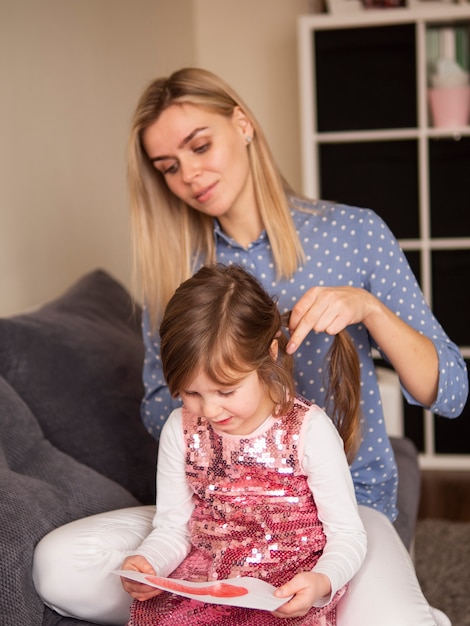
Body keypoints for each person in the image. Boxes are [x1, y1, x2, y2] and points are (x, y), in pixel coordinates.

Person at [33, 67, 467, 626]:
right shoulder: (176, 270)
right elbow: (156, 406)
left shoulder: (354, 233)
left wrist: (370, 309)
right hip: (217, 517)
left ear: (242, 124)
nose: (189, 174)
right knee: (58, 566)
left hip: (346, 513)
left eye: (199, 145)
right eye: (169, 166)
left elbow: (450, 393)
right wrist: (233, 410)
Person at [120, 263, 367, 626]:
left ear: (269, 354)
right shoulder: (181, 429)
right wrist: (149, 562)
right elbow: (173, 527)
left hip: (287, 590)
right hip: (210, 583)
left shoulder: (307, 430)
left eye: (226, 390)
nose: (210, 409)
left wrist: (321, 581)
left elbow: (348, 534)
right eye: (191, 393)